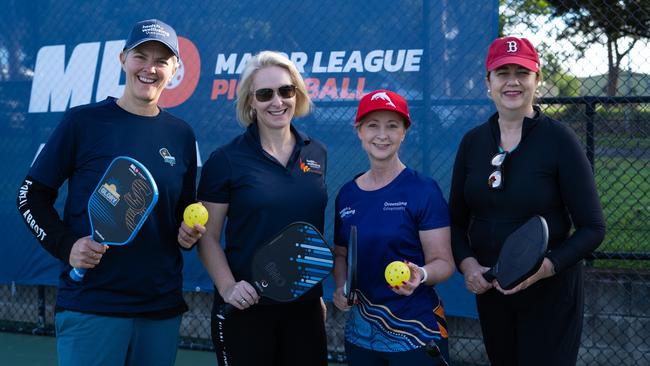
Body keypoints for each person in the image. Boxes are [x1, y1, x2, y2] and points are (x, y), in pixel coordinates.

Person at [16, 19, 204, 366]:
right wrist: (66, 245)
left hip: (160, 309)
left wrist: (186, 232)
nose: (149, 68)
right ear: (122, 60)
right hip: (92, 306)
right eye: (140, 56)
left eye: (161, 61)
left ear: (174, 69)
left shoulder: (181, 134)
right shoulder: (82, 123)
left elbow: (181, 210)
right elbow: (30, 196)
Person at [449, 36, 606, 366]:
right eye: (502, 72)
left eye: (522, 71)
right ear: (487, 82)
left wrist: (546, 267)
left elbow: (593, 228)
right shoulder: (473, 142)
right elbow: (456, 221)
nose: (512, 81)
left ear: (537, 80)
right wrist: (467, 265)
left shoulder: (560, 140)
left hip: (550, 294)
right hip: (492, 290)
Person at [196, 50, 329, 366]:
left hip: (304, 308)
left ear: (297, 94)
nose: (277, 101)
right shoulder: (225, 160)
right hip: (247, 306)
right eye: (265, 94)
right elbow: (207, 237)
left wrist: (316, 297)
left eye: (286, 90)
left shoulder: (318, 153)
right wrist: (228, 287)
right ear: (250, 102)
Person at [332, 89, 455, 366]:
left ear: (404, 133)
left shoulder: (424, 190)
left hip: (418, 333)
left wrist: (420, 274)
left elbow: (444, 263)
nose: (382, 135)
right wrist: (340, 287)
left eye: (392, 126)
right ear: (359, 131)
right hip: (361, 336)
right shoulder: (347, 195)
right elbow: (341, 254)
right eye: (373, 125)